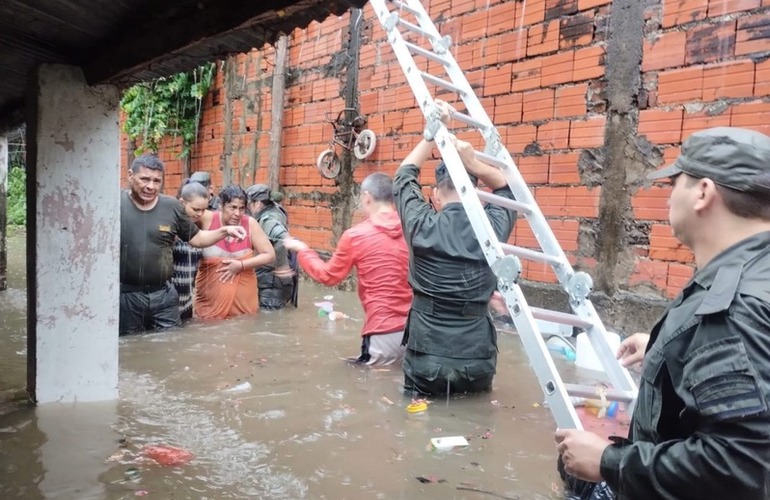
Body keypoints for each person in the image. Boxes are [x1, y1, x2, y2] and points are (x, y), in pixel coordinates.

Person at [555, 127, 770, 500]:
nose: (669, 197)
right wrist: (663, 348)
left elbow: (741, 467)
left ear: (703, 192)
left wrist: (608, 461)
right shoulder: (754, 272)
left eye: (675, 183)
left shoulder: (734, 308)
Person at [393, 99, 517, 395]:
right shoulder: (492, 229)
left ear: (435, 194)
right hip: (477, 359)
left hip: (427, 357)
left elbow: (403, 176)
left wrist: (433, 131)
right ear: (474, 191)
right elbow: (508, 190)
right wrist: (473, 162)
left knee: (417, 425)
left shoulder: (421, 225)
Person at [284, 173, 412, 366]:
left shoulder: (356, 235)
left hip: (382, 332)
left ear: (367, 197)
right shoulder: (414, 228)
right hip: (418, 332)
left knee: (369, 386)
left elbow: (328, 276)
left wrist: (303, 251)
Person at [120, 154, 247, 335]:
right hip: (126, 295)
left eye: (157, 181)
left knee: (172, 344)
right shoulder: (115, 204)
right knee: (130, 346)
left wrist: (225, 231)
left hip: (163, 295)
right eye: (145, 179)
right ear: (130, 175)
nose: (150, 186)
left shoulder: (171, 206)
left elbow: (197, 239)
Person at [194, 185, 275, 320]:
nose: (237, 213)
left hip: (244, 305)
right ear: (221, 205)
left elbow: (270, 255)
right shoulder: (206, 219)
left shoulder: (250, 224)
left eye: (241, 208)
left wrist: (241, 265)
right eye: (232, 207)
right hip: (209, 303)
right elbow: (184, 214)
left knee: (243, 336)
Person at [246, 184, 298, 309]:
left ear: (258, 203)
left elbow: (282, 239)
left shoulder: (268, 219)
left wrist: (281, 266)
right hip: (275, 281)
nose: (248, 209)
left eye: (249, 204)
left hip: (271, 282)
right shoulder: (276, 209)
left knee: (267, 323)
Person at [171, 179, 208, 320]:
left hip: (187, 301)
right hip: (168, 301)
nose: (199, 214)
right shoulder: (171, 227)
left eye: (203, 210)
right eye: (195, 209)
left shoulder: (199, 229)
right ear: (182, 203)